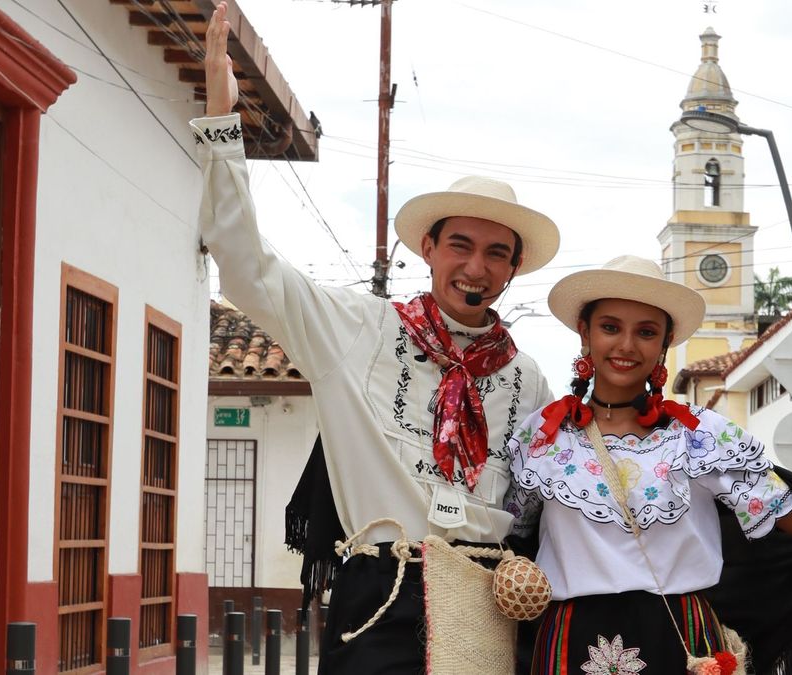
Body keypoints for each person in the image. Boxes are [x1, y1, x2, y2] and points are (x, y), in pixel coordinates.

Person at [195, 4, 559, 672]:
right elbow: (245, 267)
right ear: (428, 247)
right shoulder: (359, 328)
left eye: (496, 254)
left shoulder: (527, 377)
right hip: (382, 594)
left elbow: (541, 504)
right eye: (460, 245)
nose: (476, 267)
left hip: (488, 597)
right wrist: (224, 125)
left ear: (512, 270)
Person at [504, 256, 792, 674]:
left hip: (683, 641)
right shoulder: (543, 435)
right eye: (610, 327)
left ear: (664, 343)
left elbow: (791, 515)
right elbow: (514, 538)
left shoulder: (700, 436)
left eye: (646, 332)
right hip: (572, 643)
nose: (626, 345)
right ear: (585, 334)